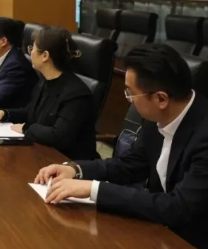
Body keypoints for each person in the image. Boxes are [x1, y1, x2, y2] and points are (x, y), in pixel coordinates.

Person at [36, 44, 208, 248]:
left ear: (161, 98)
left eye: (130, 93)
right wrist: (76, 169)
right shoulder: (158, 117)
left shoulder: (203, 134)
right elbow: (129, 165)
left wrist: (94, 189)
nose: (129, 101)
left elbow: (177, 207)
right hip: (160, 229)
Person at [0, 26, 98, 160]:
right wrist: (5, 114)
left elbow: (58, 137)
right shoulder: (44, 81)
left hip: (69, 162)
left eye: (32, 48)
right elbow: (31, 113)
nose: (30, 53)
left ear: (45, 56)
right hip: (41, 152)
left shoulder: (76, 95)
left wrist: (26, 128)